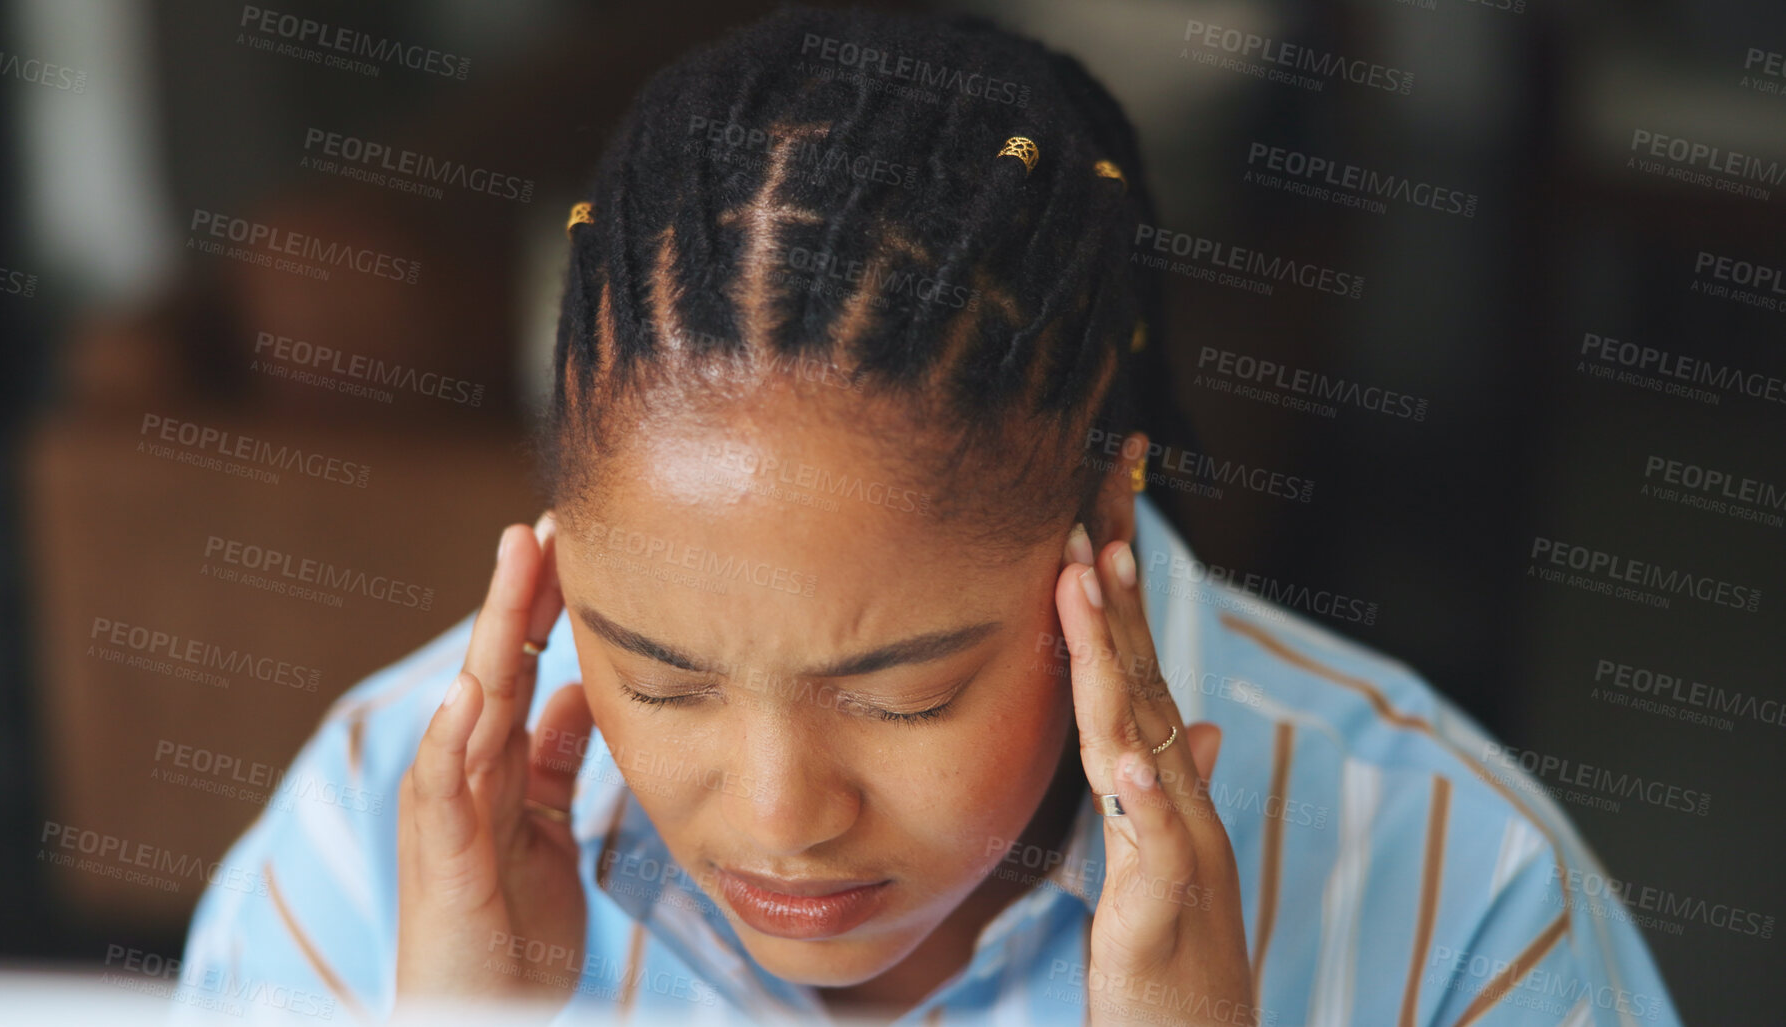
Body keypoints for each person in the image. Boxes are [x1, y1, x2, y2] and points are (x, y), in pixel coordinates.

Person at [174, 8, 1680, 1025]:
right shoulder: (362, 851)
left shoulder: (1463, 900)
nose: (778, 815)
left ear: (1102, 514)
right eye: (657, 676)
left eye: (906, 695)